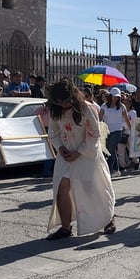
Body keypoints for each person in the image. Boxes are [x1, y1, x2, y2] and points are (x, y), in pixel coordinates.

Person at [44, 79, 116, 239]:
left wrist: (79, 152)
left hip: (87, 155)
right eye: (58, 102)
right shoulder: (56, 110)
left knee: (94, 190)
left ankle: (108, 219)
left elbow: (94, 135)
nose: (62, 105)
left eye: (64, 101)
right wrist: (61, 148)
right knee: (61, 189)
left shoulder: (87, 108)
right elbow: (53, 132)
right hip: (66, 155)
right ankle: (65, 227)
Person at [99, 87, 131, 177]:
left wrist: (131, 129)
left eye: (118, 97)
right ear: (111, 96)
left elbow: (126, 119)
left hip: (117, 131)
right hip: (107, 131)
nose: (116, 98)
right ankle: (116, 170)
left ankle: (108, 171)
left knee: (110, 149)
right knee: (111, 151)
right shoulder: (104, 106)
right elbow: (99, 118)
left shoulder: (121, 107)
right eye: (114, 96)